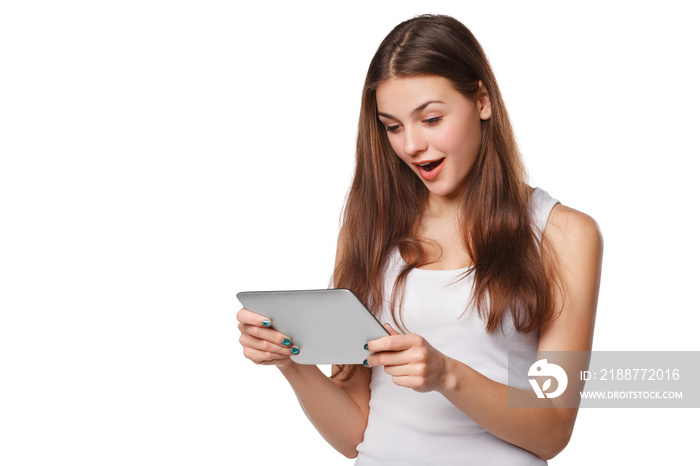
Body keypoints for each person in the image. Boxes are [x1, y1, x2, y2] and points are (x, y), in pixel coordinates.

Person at [236, 14, 603, 465]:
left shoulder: (563, 234)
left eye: (430, 119)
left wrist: (447, 374)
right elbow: (356, 433)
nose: (411, 145)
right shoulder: (369, 228)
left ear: (482, 100)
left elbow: (552, 430)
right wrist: (291, 361)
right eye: (392, 126)